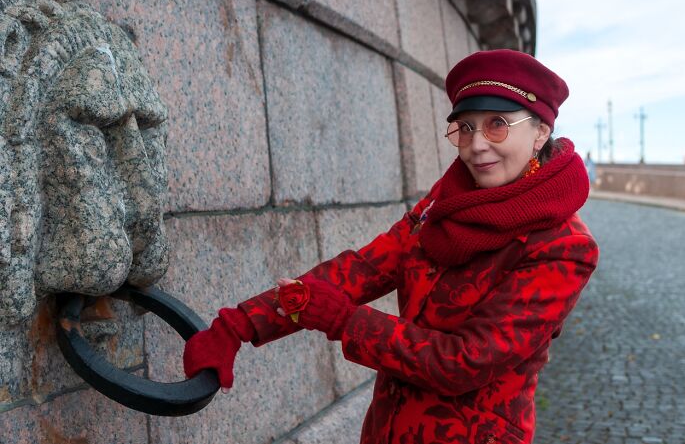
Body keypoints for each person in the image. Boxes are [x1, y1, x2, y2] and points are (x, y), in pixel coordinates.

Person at [183, 49, 599, 444]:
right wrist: (238, 325)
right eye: (466, 127)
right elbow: (364, 269)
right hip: (389, 427)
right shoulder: (448, 199)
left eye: (497, 125)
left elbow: (465, 360)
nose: (475, 145)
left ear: (541, 130)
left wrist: (345, 321)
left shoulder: (565, 247)